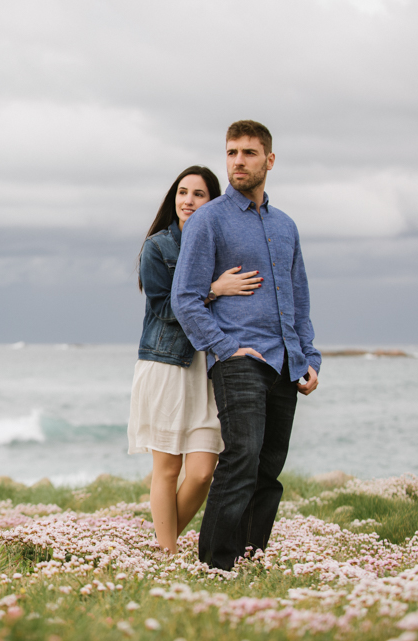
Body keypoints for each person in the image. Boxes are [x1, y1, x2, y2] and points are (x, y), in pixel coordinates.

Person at [171, 121, 321, 571]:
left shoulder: (286, 226)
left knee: (268, 468)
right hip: (238, 357)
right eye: (232, 152)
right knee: (242, 455)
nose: (238, 161)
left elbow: (298, 300)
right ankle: (214, 565)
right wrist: (225, 347)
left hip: (284, 362)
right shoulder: (209, 220)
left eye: (249, 153)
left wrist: (308, 357)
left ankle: (250, 558)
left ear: (269, 160)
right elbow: (185, 297)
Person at [129, 165, 263, 555]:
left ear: (213, 200)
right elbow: (166, 308)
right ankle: (168, 555)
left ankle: (159, 546)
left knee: (204, 472)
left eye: (198, 194)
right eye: (182, 193)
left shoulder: (216, 244)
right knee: (168, 469)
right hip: (167, 364)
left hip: (209, 366)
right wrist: (213, 288)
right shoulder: (158, 247)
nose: (188, 201)